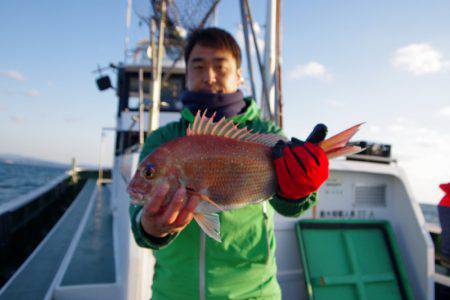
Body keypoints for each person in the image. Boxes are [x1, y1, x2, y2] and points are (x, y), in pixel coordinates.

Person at [129, 27, 329, 299]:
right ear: (186, 74)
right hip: (173, 293)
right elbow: (138, 221)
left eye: (220, 67)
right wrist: (150, 227)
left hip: (253, 294)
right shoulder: (162, 139)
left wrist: (298, 189)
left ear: (238, 76)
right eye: (198, 67)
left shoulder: (265, 134)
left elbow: (288, 207)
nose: (209, 77)